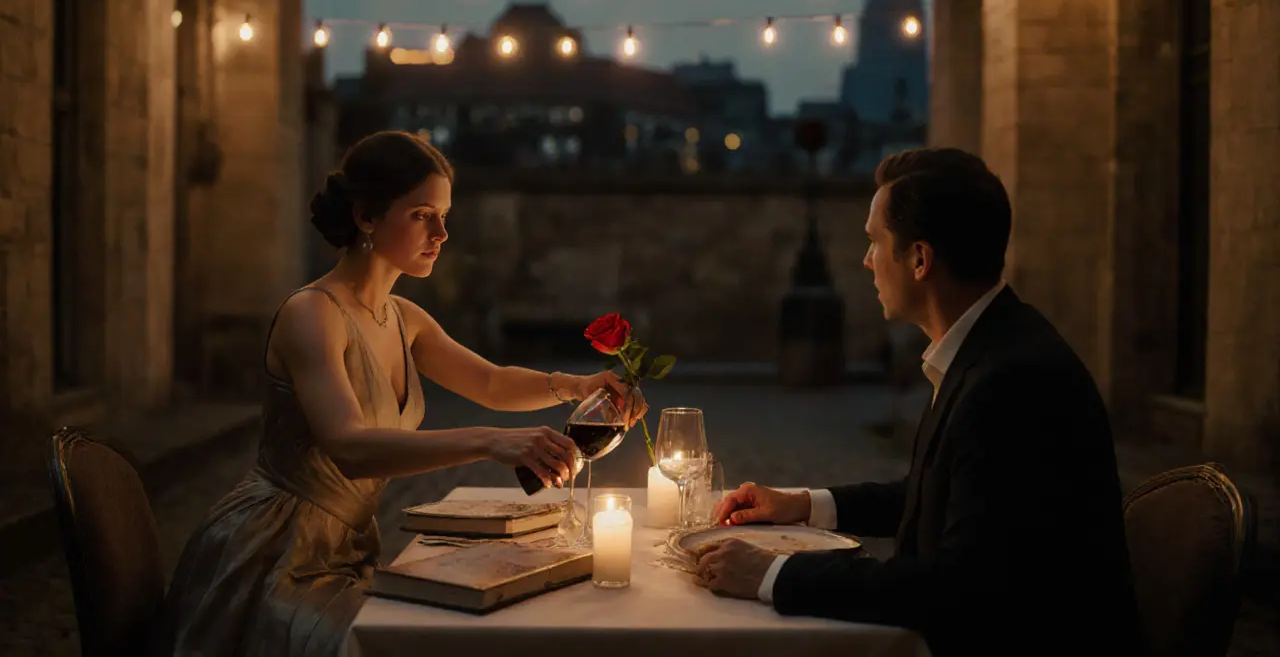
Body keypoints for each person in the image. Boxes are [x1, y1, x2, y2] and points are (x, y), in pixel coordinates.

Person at [154, 131, 647, 656]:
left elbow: (491, 382)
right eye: (421, 215)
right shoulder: (312, 314)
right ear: (366, 216)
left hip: (345, 551)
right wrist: (490, 442)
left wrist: (578, 386)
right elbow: (349, 446)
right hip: (272, 554)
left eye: (444, 214)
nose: (441, 232)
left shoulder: (402, 318)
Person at [697, 148, 1144, 656]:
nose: (866, 261)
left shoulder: (1013, 381)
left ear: (919, 259)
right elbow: (935, 493)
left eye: (874, 242)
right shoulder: (992, 344)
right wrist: (802, 504)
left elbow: (956, 589)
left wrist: (772, 572)